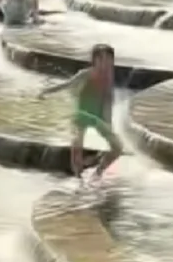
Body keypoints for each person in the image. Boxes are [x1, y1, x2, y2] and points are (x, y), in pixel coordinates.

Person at [49, 44, 121, 181]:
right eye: (102, 59)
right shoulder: (86, 74)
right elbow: (68, 84)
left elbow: (108, 101)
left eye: (109, 59)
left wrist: (109, 124)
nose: (105, 63)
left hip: (97, 117)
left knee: (117, 147)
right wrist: (48, 91)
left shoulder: (109, 78)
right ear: (94, 60)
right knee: (77, 143)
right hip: (81, 114)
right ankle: (78, 177)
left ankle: (98, 173)